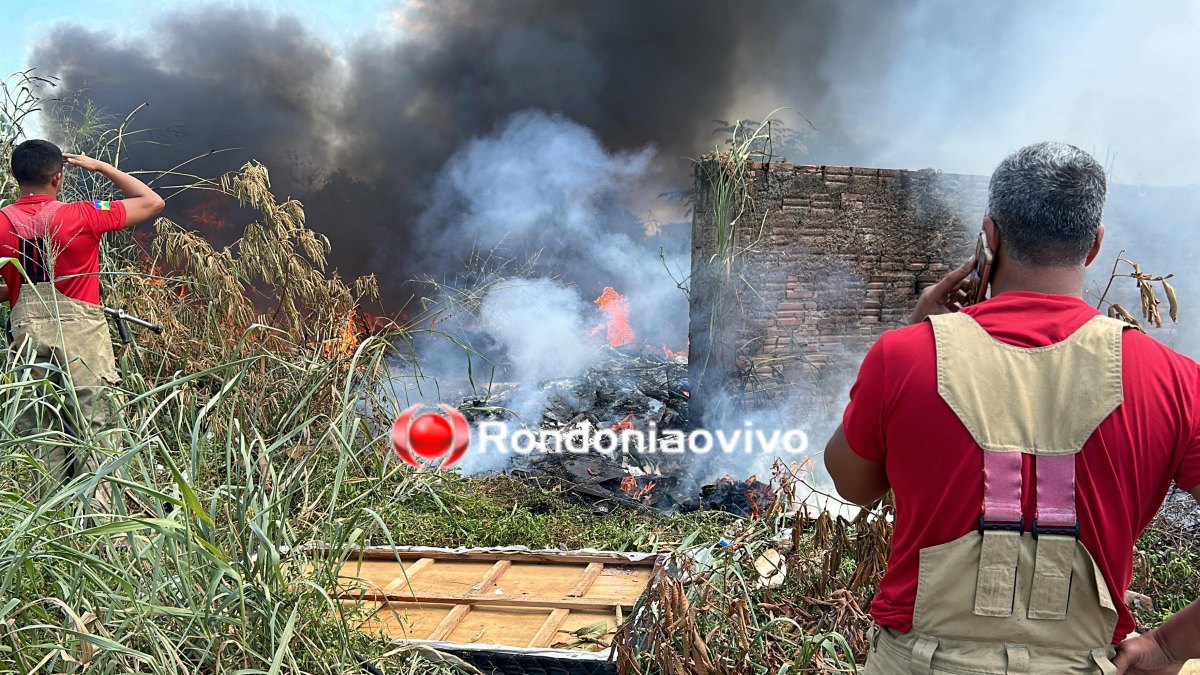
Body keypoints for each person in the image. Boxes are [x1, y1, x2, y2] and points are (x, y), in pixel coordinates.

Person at [824, 142, 1200, 674]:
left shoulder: (905, 356)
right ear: (1093, 246)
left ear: (989, 238)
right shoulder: (1176, 380)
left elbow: (852, 485)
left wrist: (917, 334)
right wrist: (1168, 646)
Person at [0, 139, 164, 502]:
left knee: (39, 430)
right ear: (58, 179)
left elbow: (18, 277)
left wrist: (14, 286)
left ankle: (48, 527)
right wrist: (101, 167)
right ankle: (100, 523)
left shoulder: (1, 222)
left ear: (14, 176)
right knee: (97, 426)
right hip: (83, 337)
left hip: (25, 336)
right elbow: (153, 202)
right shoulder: (84, 213)